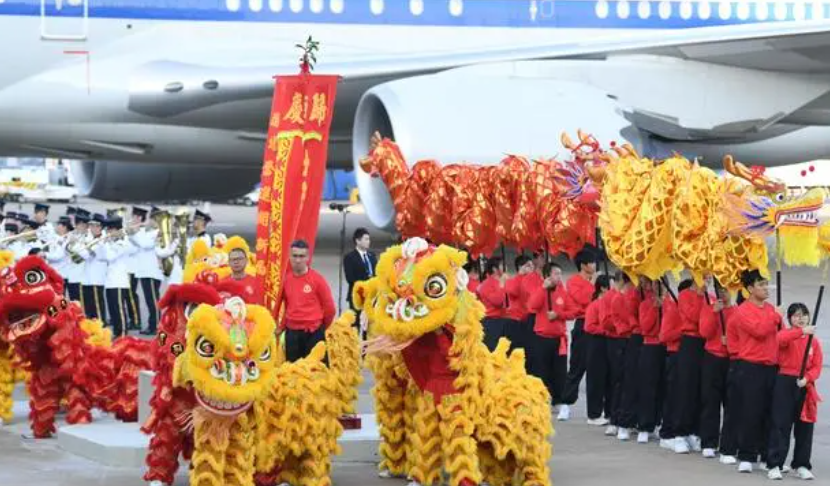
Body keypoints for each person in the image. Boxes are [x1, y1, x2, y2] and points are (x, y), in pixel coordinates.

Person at [766, 302, 823, 481]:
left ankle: (801, 464)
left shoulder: (814, 341)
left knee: (805, 427)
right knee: (781, 424)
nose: (801, 318)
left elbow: (817, 366)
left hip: (804, 384)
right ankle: (775, 464)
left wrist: (807, 378)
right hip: (786, 381)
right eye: (796, 315)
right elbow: (780, 340)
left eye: (804, 315)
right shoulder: (786, 334)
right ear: (790, 318)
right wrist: (801, 332)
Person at [734, 269, 781, 473]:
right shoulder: (742, 310)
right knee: (751, 411)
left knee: (770, 413)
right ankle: (746, 455)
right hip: (751, 366)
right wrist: (775, 317)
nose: (765, 288)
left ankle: (766, 455)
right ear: (750, 289)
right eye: (761, 284)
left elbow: (779, 336)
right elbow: (760, 331)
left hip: (771, 367)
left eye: (766, 283)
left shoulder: (771, 308)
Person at [527, 262, 577, 413]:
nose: (559, 277)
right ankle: (540, 400)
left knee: (559, 371)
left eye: (560, 274)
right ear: (548, 276)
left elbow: (573, 311)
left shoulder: (562, 292)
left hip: (559, 339)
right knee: (541, 371)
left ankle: (558, 400)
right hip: (542, 338)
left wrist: (558, 315)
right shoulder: (541, 291)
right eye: (556, 274)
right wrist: (543, 289)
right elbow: (532, 306)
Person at [278, 240, 336, 363]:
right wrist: (282, 327)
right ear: (290, 256)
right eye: (295, 256)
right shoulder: (285, 280)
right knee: (293, 373)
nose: (298, 260)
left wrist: (320, 327)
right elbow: (286, 306)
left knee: (317, 373)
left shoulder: (317, 280)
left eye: (301, 256)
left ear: (308, 258)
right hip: (292, 334)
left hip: (314, 333)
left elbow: (330, 308)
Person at [670, 276, 709, 454]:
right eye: (704, 275)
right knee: (685, 388)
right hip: (689, 342)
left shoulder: (710, 296)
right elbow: (694, 317)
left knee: (701, 389)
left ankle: (695, 430)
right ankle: (679, 432)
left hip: (705, 344)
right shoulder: (685, 295)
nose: (707, 279)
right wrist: (701, 296)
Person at [698, 282, 735, 459]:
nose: (723, 293)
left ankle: (728, 443)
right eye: (720, 290)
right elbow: (704, 332)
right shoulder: (709, 308)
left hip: (731, 359)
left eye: (726, 290)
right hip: (712, 358)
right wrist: (713, 313)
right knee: (710, 402)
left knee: (731, 404)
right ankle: (708, 442)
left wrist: (731, 342)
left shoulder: (738, 311)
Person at [560, 248, 597, 421]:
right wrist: (594, 287)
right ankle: (565, 404)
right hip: (583, 324)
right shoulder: (574, 281)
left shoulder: (596, 281)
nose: (594, 265)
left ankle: (595, 410)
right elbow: (583, 300)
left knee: (596, 369)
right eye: (591, 262)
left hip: (597, 325)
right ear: (583, 265)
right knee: (577, 366)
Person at [658, 279, 689, 450]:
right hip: (675, 355)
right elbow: (664, 336)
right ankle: (667, 432)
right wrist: (682, 330)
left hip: (689, 356)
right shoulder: (673, 310)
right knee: (673, 396)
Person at [636, 278, 667, 444]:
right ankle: (644, 426)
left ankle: (657, 421)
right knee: (648, 388)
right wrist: (655, 309)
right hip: (651, 346)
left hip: (667, 347)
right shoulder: (645, 304)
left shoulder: (670, 303)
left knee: (663, 388)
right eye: (653, 284)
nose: (655, 287)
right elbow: (646, 327)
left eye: (658, 284)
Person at [129, 207, 163, 335]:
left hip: (152, 272)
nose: (149, 221)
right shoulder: (147, 232)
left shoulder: (158, 233)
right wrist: (132, 232)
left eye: (152, 219)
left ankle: (155, 326)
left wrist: (134, 232)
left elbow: (144, 244)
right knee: (149, 300)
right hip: (144, 271)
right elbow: (136, 243)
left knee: (153, 301)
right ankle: (152, 324)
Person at [584, 274, 612, 426]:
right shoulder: (595, 305)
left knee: (608, 378)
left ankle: (608, 411)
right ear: (603, 288)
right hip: (597, 342)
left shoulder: (610, 303)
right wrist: (605, 329)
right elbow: (589, 326)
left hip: (608, 342)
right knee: (596, 378)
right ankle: (593, 414)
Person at [101, 218, 136, 337]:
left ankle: (123, 332)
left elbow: (111, 257)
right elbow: (102, 257)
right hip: (110, 281)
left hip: (119, 281)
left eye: (111, 230)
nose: (109, 232)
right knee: (113, 309)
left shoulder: (123, 243)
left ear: (118, 230)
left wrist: (105, 243)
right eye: (108, 230)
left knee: (119, 309)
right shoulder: (112, 243)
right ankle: (117, 331)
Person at [477, 257, 508, 352]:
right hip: (491, 322)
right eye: (502, 265)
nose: (505, 267)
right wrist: (502, 285)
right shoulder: (486, 284)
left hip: (503, 320)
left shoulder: (500, 282)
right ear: (494, 269)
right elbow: (498, 302)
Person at [343, 227, 377, 314]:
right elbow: (350, 278)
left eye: (369, 239)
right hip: (358, 295)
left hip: (372, 297)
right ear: (358, 241)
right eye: (366, 239)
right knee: (356, 323)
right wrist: (366, 285)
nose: (368, 241)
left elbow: (376, 274)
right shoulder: (349, 257)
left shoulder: (372, 256)